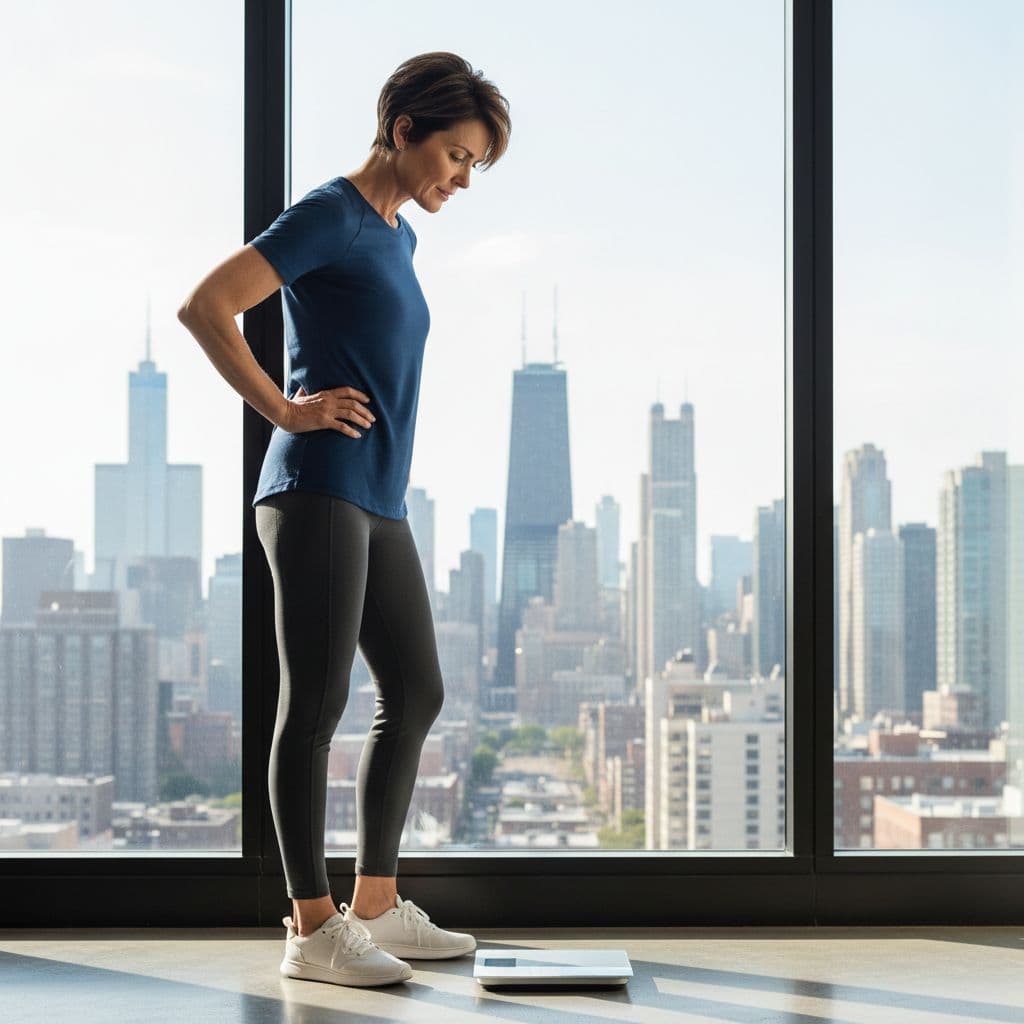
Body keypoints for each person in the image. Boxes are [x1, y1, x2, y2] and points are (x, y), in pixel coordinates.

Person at [177, 51, 511, 988]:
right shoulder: (331, 213)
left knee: (416, 692)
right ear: (403, 130)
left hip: (377, 499)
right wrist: (285, 410)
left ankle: (374, 903)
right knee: (316, 706)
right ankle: (311, 928)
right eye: (454, 155)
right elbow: (208, 305)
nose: (461, 178)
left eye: (474, 165)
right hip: (318, 486)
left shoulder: (398, 238)